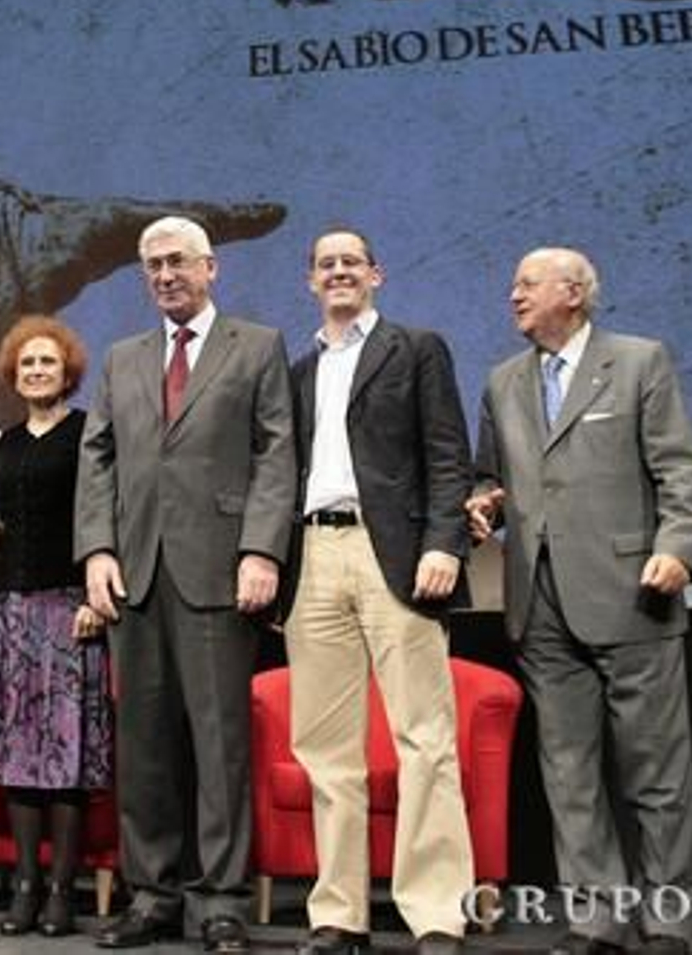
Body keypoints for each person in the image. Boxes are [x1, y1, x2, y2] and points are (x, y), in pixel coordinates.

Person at [466, 247, 692, 955]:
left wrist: (678, 547)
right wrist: (484, 505)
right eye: (513, 283)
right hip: (539, 603)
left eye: (527, 284)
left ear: (573, 292)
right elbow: (495, 478)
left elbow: (682, 470)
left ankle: (666, 921)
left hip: (631, 592)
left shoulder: (638, 362)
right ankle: (594, 920)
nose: (513, 295)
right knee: (569, 773)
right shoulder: (503, 381)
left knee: (655, 773)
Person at [77, 215, 296, 955]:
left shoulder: (257, 346)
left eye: (176, 262)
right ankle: (152, 895)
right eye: (152, 266)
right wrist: (97, 550)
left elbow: (275, 454)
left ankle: (221, 903)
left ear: (211, 269)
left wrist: (262, 550)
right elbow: (98, 458)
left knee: (219, 743)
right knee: (144, 745)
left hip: (220, 570)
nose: (164, 275)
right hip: (135, 573)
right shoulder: (121, 358)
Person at [283, 229, 475, 955]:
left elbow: (447, 455)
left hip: (392, 552)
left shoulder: (416, 348)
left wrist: (442, 543)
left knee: (424, 739)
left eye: (351, 262)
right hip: (314, 555)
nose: (338, 272)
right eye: (325, 264)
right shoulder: (299, 371)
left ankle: (435, 914)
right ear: (310, 281)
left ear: (376, 275)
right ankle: (339, 914)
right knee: (326, 749)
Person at [0, 315, 114, 939]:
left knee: (65, 760)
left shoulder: (87, 433)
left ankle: (61, 892)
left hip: (68, 608)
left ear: (68, 371)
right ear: (12, 374)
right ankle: (23, 885)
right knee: (21, 759)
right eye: (27, 364)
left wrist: (96, 600)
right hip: (10, 612)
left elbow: (107, 513)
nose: (37, 371)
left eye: (47, 362)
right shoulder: (10, 443)